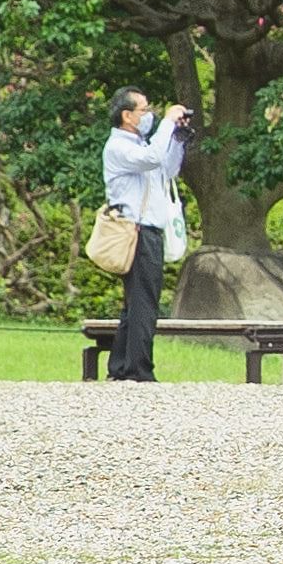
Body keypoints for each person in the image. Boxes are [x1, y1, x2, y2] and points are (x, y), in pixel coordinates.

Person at [101, 89, 191, 381]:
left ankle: (122, 367)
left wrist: (177, 137)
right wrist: (167, 121)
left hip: (148, 231)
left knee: (135, 302)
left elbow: (167, 168)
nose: (149, 115)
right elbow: (152, 157)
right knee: (144, 303)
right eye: (144, 110)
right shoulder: (119, 147)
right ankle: (139, 370)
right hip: (135, 232)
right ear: (127, 116)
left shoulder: (140, 145)